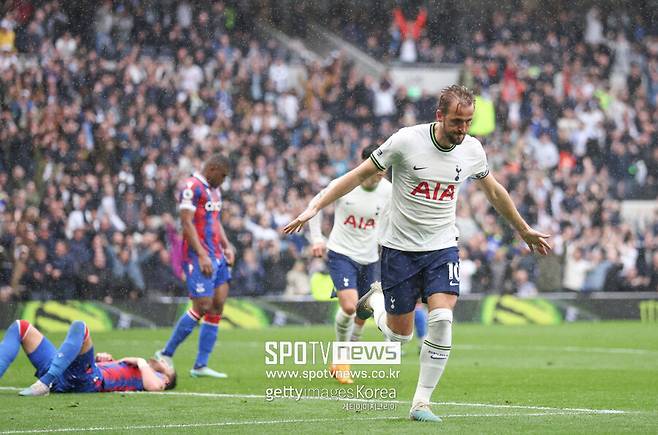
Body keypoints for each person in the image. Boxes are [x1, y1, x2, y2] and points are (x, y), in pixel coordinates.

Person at [284, 85, 551, 423]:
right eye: (457, 121)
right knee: (399, 336)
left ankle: (420, 403)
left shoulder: (471, 149)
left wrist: (523, 228)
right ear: (439, 116)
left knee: (441, 319)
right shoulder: (406, 141)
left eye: (468, 122)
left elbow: (494, 191)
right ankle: (374, 302)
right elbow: (356, 176)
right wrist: (314, 207)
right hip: (400, 250)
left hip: (441, 247)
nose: (462, 129)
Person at [308, 144, 392, 384]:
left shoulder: (388, 191)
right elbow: (315, 205)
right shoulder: (345, 184)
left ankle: (343, 360)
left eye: (383, 170)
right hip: (341, 253)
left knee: (363, 311)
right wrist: (316, 239)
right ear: (365, 164)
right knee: (348, 306)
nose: (380, 174)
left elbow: (391, 219)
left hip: (370, 258)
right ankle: (341, 360)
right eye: (377, 169)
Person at [155, 154, 236, 379]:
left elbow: (215, 221)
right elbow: (186, 222)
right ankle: (165, 353)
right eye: (223, 176)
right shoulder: (191, 187)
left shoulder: (215, 191)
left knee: (218, 305)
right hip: (197, 256)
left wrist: (227, 246)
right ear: (212, 169)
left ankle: (200, 365)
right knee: (202, 304)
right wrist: (201, 254)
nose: (224, 181)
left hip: (218, 256)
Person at [0, 320, 176, 396]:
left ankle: (45, 383)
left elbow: (154, 387)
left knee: (80, 327)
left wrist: (141, 361)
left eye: (166, 364)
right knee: (21, 327)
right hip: (70, 373)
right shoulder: (139, 369)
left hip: (85, 380)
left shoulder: (156, 377)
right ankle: (47, 381)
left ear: (167, 378)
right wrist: (103, 360)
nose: (161, 360)